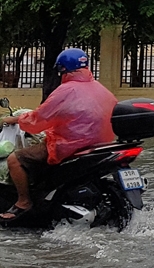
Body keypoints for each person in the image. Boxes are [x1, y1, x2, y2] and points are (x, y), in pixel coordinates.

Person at [0, 48, 117, 222]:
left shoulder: (66, 91)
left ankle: (24, 202)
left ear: (62, 69)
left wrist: (15, 119)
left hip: (70, 144)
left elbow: (37, 120)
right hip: (101, 144)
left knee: (15, 160)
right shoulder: (101, 89)